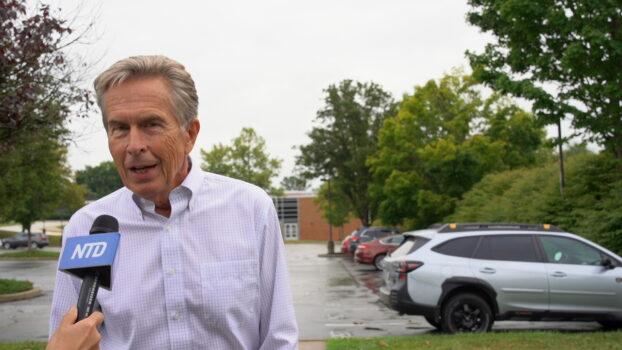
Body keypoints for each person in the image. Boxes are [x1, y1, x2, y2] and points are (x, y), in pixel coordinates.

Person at [48, 55, 299, 349]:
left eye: (151, 124)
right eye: (120, 128)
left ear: (189, 134)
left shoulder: (250, 209)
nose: (134, 145)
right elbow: (65, 339)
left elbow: (279, 339)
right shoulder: (85, 227)